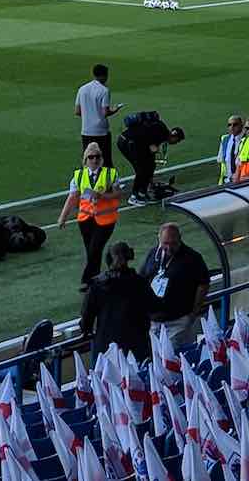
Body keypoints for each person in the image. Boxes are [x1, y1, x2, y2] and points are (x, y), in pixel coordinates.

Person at [58, 142, 121, 291]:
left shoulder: (110, 174)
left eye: (97, 157)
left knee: (94, 249)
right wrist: (63, 217)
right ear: (85, 160)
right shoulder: (78, 176)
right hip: (85, 220)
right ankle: (99, 278)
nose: (94, 160)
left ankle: (88, 281)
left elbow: (118, 193)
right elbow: (72, 197)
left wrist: (102, 196)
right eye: (91, 157)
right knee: (92, 251)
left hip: (106, 220)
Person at [80, 241, 157, 363]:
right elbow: (154, 307)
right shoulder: (139, 282)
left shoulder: (97, 285)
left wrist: (86, 329)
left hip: (107, 347)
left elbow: (86, 317)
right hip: (137, 345)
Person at [139, 223, 211, 347]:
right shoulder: (153, 254)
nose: (169, 248)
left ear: (180, 239)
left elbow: (203, 284)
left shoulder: (192, 258)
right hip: (153, 321)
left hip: (178, 321)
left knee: (173, 359)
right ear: (159, 239)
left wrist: (193, 312)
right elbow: (142, 279)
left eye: (173, 243)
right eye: (165, 243)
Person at [117, 114, 185, 204]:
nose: (176, 143)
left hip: (128, 142)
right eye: (178, 140)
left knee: (148, 166)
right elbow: (142, 135)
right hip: (127, 143)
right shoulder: (161, 132)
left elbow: (151, 161)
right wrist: (149, 144)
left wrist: (150, 181)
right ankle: (134, 197)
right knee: (141, 169)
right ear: (175, 137)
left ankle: (142, 193)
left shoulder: (161, 132)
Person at [75, 64, 123, 167]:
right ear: (104, 75)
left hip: (86, 130)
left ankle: (89, 181)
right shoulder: (104, 90)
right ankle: (109, 182)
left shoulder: (82, 89)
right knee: (105, 159)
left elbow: (78, 111)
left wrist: (89, 114)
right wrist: (115, 110)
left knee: (89, 159)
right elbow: (105, 112)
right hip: (101, 131)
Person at [217, 115, 244, 185]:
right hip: (227, 180)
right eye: (229, 125)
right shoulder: (224, 139)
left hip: (242, 179)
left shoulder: (248, 139)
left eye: (235, 125)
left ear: (241, 125)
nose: (232, 127)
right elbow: (222, 161)